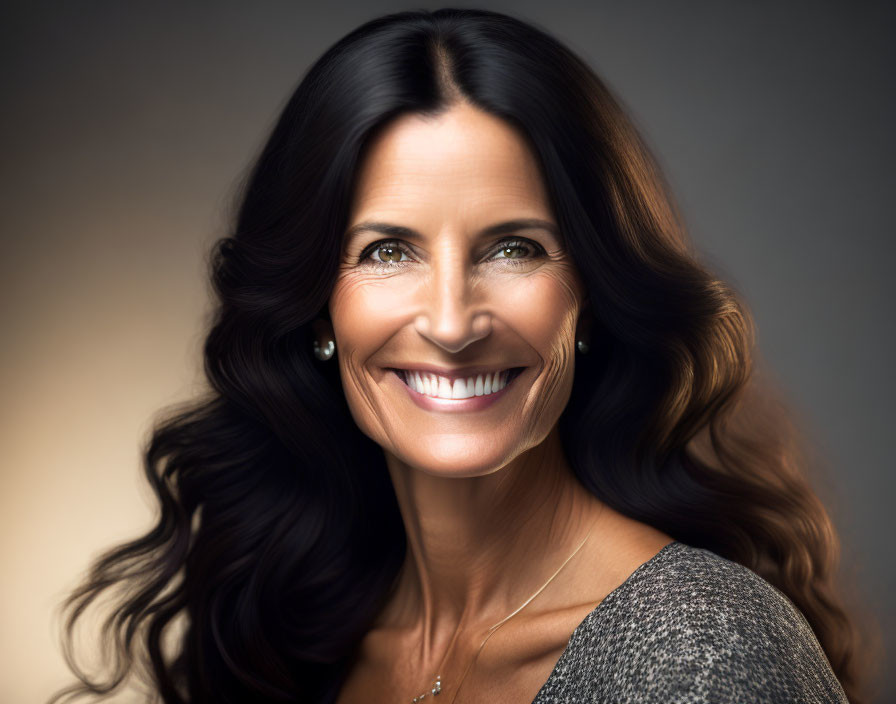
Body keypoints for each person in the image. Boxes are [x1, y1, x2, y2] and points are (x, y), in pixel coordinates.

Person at [51, 8, 870, 704]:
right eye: (386, 251)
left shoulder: (699, 653)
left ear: (589, 293)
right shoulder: (303, 633)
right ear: (315, 306)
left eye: (513, 247)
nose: (451, 322)